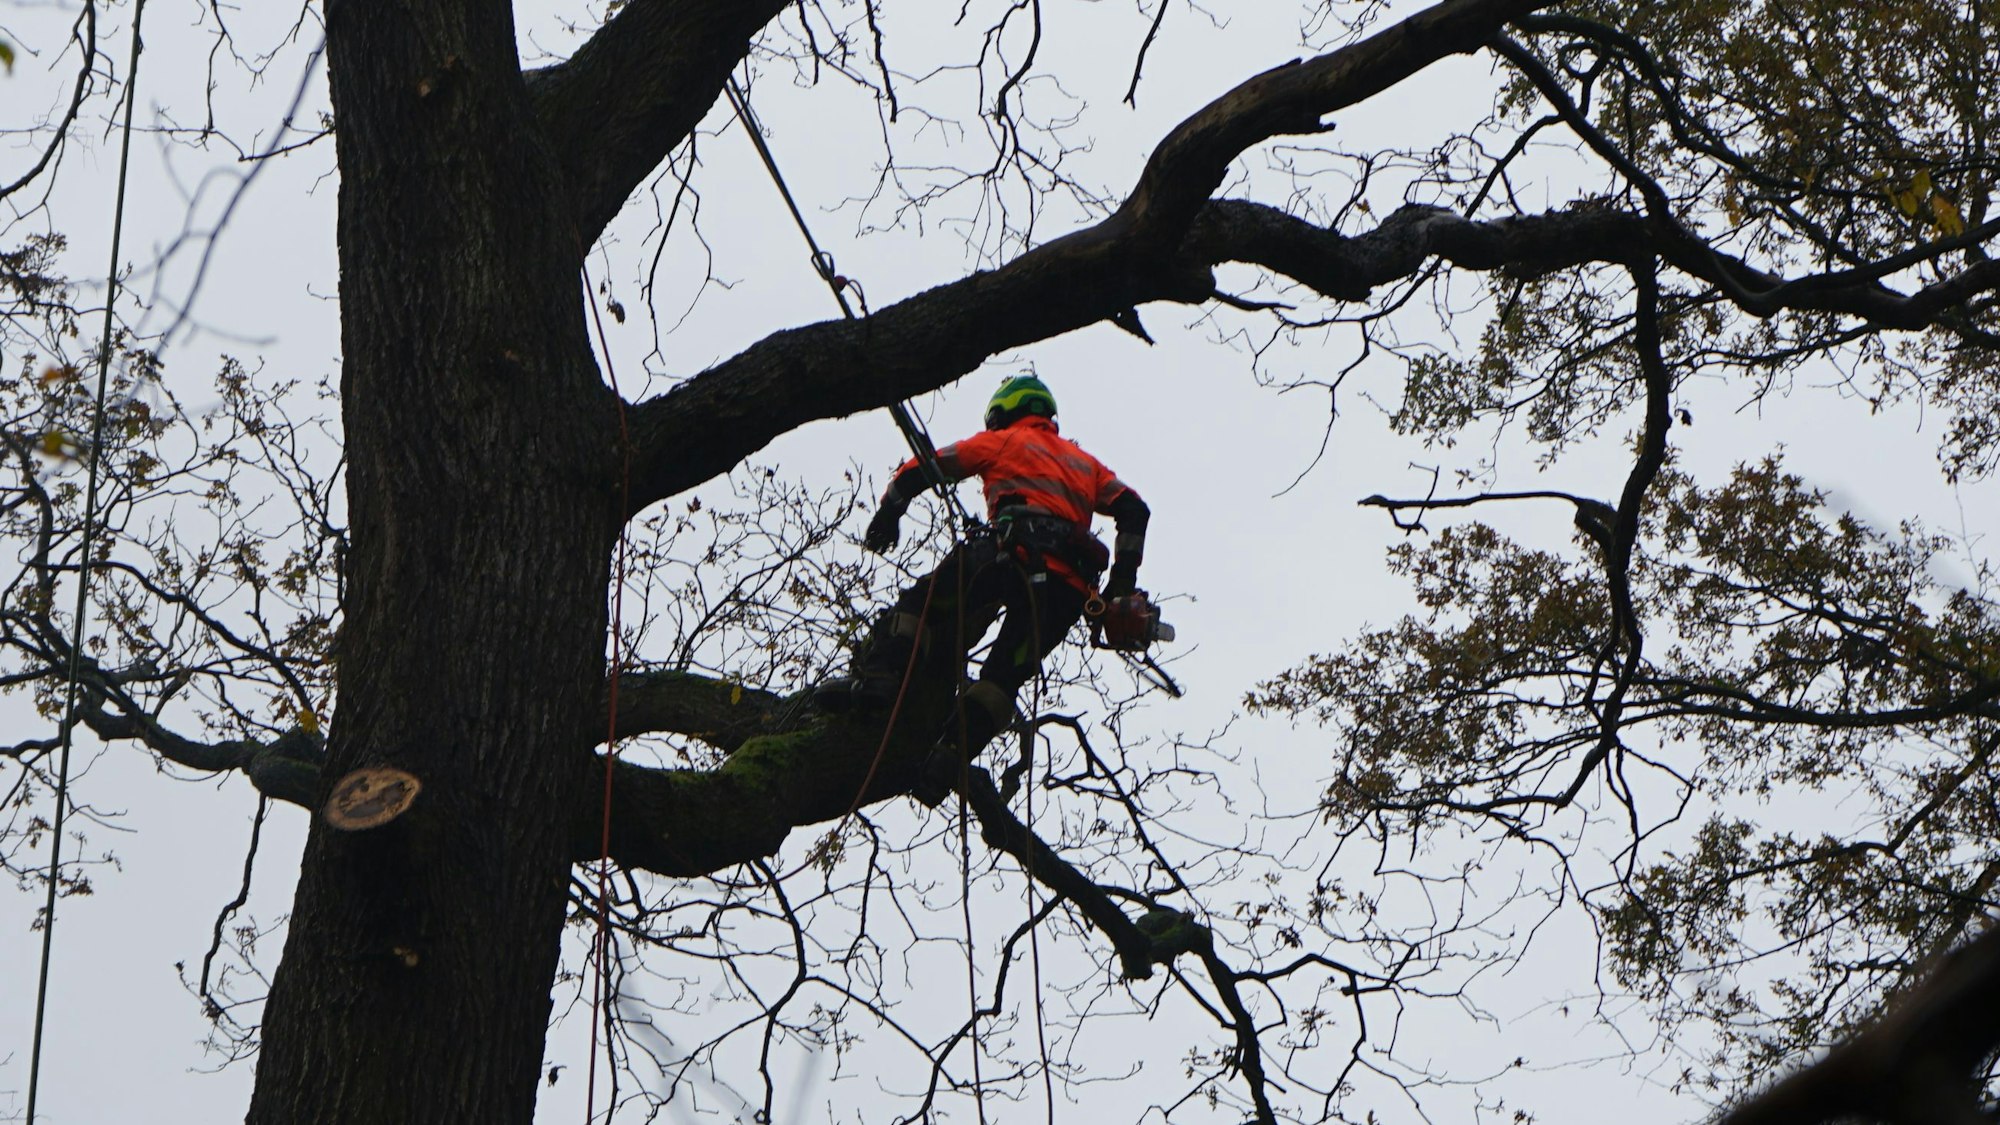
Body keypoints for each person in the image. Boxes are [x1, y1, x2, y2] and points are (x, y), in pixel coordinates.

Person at [819, 375, 1151, 784]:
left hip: (1007, 557)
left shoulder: (1006, 440)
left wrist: (890, 511)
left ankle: (879, 683)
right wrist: (1119, 587)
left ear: (1005, 412)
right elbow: (1135, 510)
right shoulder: (1087, 465)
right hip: (1064, 592)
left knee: (917, 607)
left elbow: (927, 466)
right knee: (1004, 676)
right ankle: (947, 760)